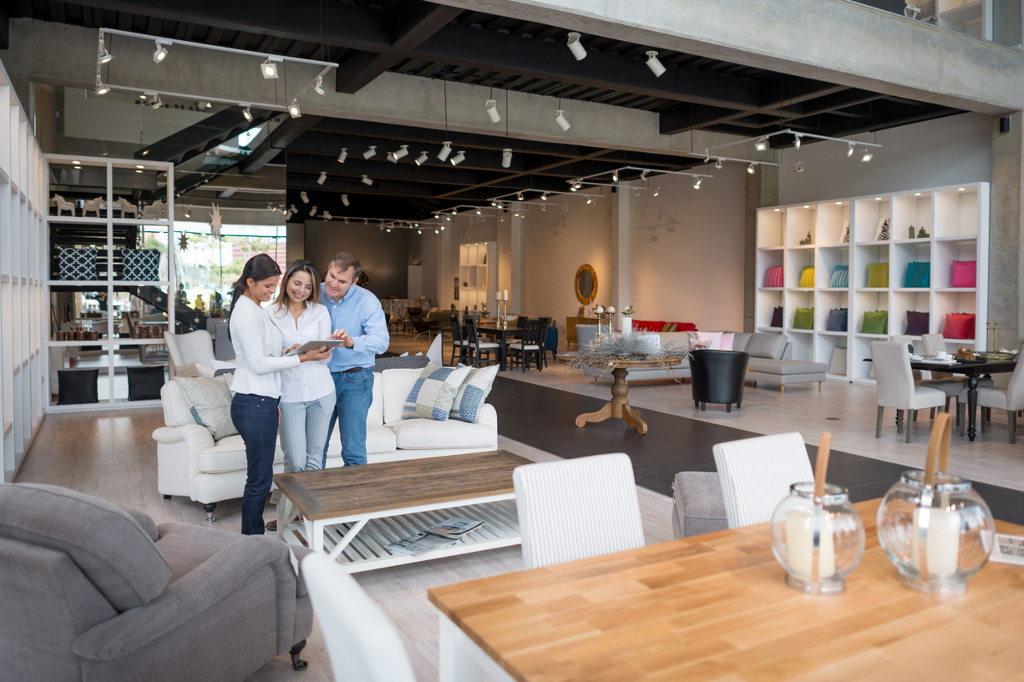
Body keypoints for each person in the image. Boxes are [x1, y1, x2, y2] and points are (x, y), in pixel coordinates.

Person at [229, 254, 332, 535]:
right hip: (254, 400)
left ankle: (259, 535)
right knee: (260, 479)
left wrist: (290, 352)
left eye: (274, 285)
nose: (271, 291)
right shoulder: (249, 312)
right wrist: (302, 358)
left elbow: (265, 355)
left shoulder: (254, 309)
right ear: (250, 282)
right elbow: (258, 364)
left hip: (262, 399)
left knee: (261, 477)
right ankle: (253, 539)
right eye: (268, 286)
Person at [320, 252, 389, 468]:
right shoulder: (313, 293)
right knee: (315, 449)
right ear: (328, 269)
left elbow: (381, 342)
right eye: (332, 276)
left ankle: (356, 491)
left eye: (342, 281)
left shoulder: (367, 301)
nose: (333, 284)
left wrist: (352, 342)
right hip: (319, 379)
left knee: (353, 450)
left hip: (355, 380)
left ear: (354, 281)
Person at [268, 260, 336, 473]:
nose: (301, 291)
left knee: (314, 461)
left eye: (308, 287)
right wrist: (288, 354)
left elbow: (325, 360)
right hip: (289, 395)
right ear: (287, 280)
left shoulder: (320, 312)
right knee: (295, 462)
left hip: (322, 392)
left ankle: (311, 498)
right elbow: (266, 358)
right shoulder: (270, 314)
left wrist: (323, 352)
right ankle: (290, 498)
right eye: (297, 283)